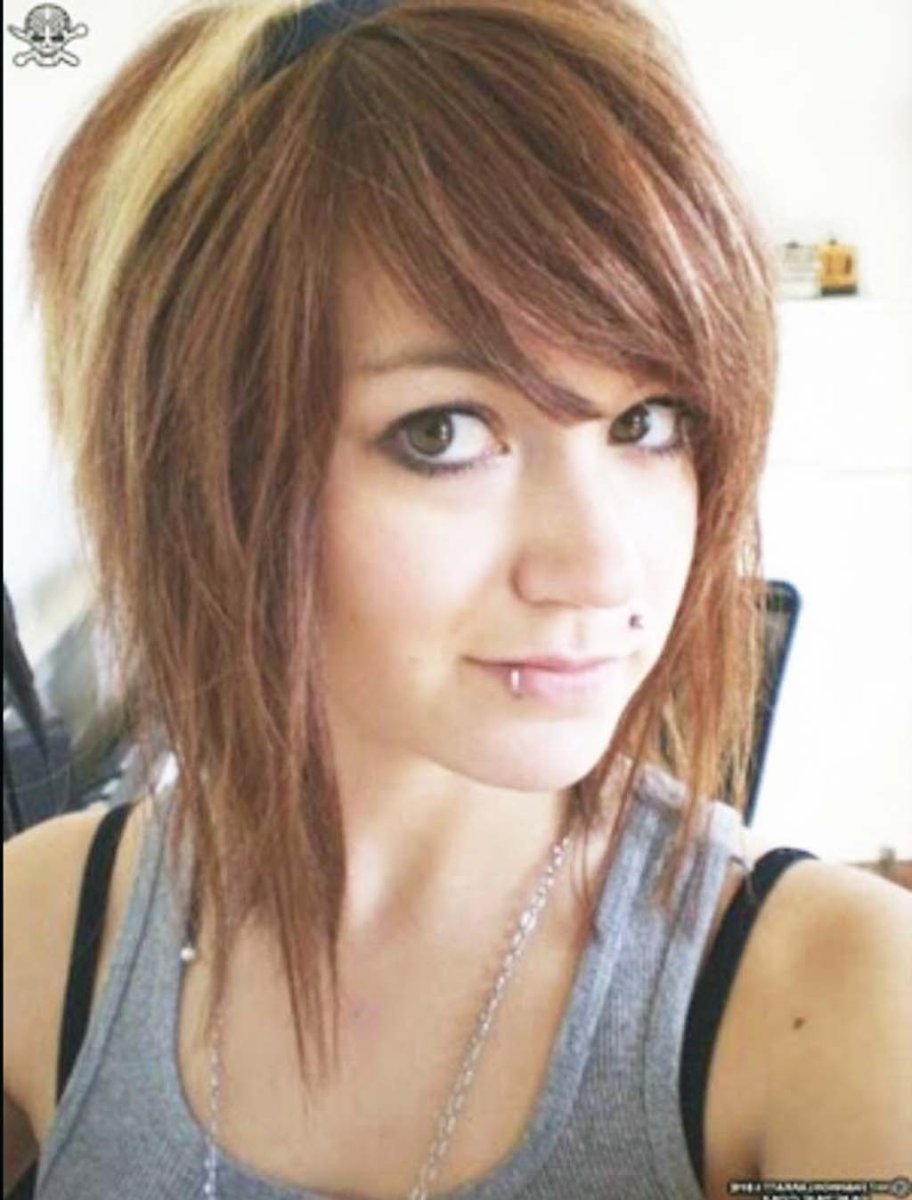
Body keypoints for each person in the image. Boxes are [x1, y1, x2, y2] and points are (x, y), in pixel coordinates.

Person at [4, 0, 910, 1197]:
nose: (601, 568)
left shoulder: (835, 1010)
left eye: (649, 422)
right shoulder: (39, 936)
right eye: (443, 432)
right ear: (196, 463)